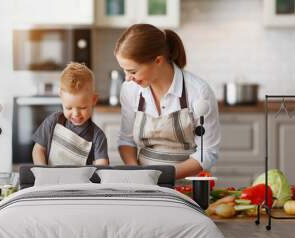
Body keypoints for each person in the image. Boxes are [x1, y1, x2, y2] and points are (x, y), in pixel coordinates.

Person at [114, 24, 220, 179]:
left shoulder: (198, 92)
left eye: (133, 71)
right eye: (124, 70)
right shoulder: (130, 89)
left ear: (158, 61)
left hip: (187, 185)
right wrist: (136, 174)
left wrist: (162, 177)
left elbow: (208, 151)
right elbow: (126, 140)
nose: (128, 78)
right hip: (143, 184)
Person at [32, 62, 109, 166]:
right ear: (61, 99)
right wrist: (42, 170)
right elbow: (38, 149)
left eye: (82, 107)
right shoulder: (53, 122)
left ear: (93, 100)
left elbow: (102, 164)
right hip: (51, 180)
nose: (76, 113)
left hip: (81, 182)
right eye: (68, 108)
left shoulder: (98, 136)